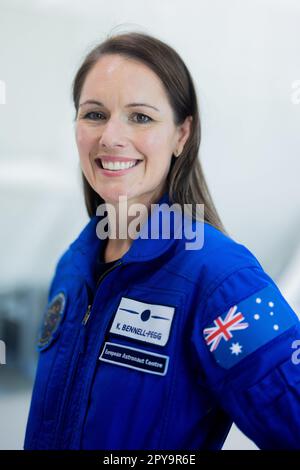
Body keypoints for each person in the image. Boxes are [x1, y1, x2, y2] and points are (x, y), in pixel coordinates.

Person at [24, 31, 300, 450]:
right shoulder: (73, 266)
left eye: (140, 117)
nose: (111, 138)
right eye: (95, 114)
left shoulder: (220, 279)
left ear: (182, 135)